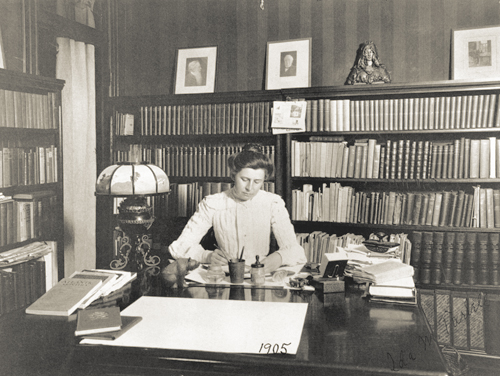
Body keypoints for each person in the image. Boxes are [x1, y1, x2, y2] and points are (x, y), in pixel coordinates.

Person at [168, 143, 307, 274]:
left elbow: (296, 252)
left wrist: (279, 257)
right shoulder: (213, 203)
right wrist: (206, 256)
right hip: (224, 275)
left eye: (257, 182)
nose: (250, 187)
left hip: (260, 275)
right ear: (233, 176)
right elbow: (179, 247)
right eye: (245, 179)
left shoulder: (273, 203)